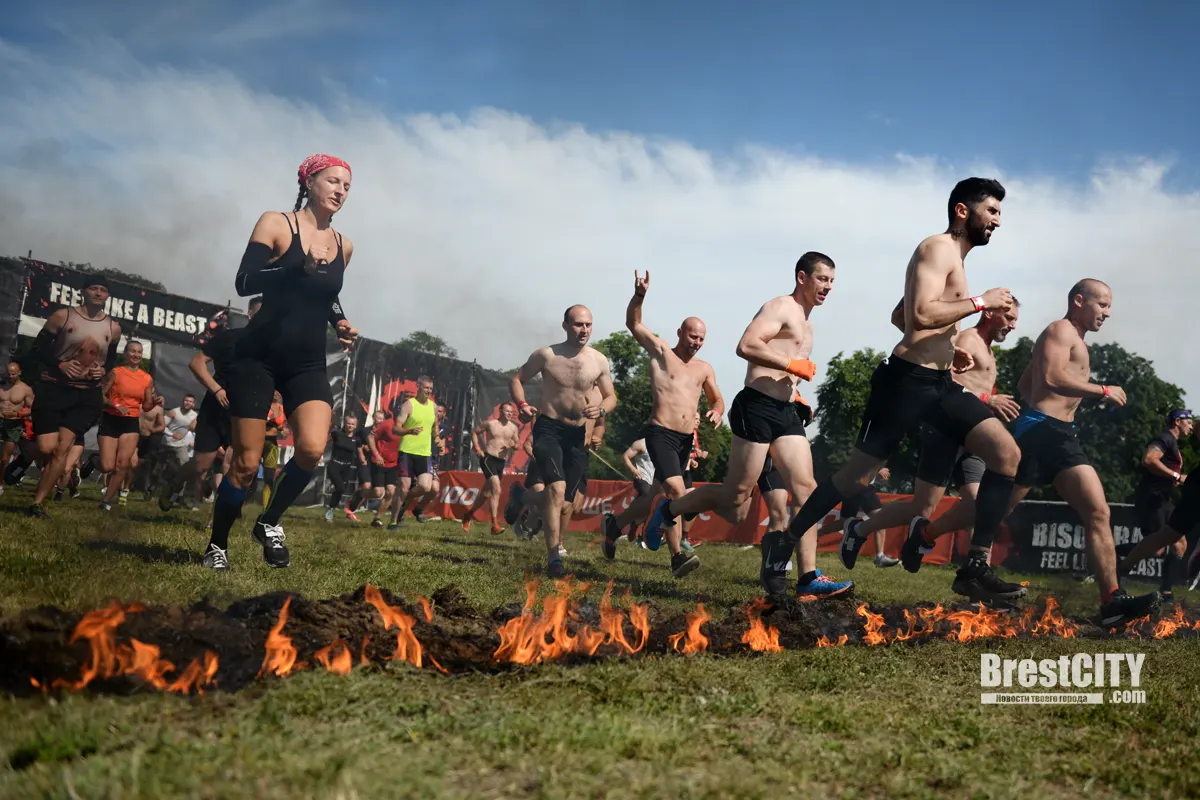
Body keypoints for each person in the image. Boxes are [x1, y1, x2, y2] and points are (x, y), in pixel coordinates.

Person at [757, 179, 1025, 602]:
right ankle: (784, 542)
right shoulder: (936, 248)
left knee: (1007, 455)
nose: (997, 220)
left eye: (998, 213)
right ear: (962, 211)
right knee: (853, 478)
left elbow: (900, 314)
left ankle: (975, 567)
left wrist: (948, 350)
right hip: (903, 384)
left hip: (938, 384)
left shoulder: (955, 257)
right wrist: (979, 302)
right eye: (991, 211)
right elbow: (918, 315)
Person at [642, 253, 853, 600]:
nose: (827, 287)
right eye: (822, 279)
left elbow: (789, 373)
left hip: (785, 413)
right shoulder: (780, 307)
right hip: (755, 407)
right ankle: (670, 509)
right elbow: (746, 346)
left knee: (807, 492)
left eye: (832, 281)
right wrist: (791, 364)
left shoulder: (809, 325)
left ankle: (808, 578)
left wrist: (796, 394)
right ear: (802, 277)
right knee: (735, 497)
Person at [204, 153, 358, 571]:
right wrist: (296, 269)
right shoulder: (276, 223)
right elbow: (244, 282)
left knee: (310, 448)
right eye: (332, 181)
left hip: (306, 361)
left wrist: (340, 320)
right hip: (258, 355)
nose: (340, 191)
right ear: (309, 182)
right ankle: (217, 545)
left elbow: (328, 295)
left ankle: (269, 522)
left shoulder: (344, 244)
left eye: (347, 185)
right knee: (246, 463)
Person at [997, 280, 1159, 623]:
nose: (1107, 313)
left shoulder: (1075, 340)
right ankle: (936, 540)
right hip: (1042, 431)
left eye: (1109, 307)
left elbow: (1029, 383)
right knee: (999, 508)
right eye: (1102, 305)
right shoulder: (1060, 330)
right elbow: (1052, 379)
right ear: (1079, 301)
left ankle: (1112, 602)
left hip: (1057, 434)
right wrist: (1100, 390)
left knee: (1096, 512)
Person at [838, 298, 1023, 571]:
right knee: (921, 508)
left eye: (1016, 320)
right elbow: (947, 383)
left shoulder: (988, 350)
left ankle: (972, 566)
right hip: (946, 429)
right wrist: (988, 399)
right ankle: (860, 530)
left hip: (971, 439)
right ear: (990, 313)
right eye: (1009, 318)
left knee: (980, 505)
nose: (1013, 325)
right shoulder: (969, 340)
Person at [601, 271, 724, 578]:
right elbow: (634, 324)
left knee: (648, 502)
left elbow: (717, 399)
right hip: (660, 434)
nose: (696, 343)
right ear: (680, 332)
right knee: (677, 494)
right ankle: (677, 556)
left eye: (701, 339)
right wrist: (639, 296)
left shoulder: (704, 368)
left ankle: (614, 525)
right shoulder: (661, 352)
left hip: (684, 442)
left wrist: (718, 412)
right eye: (693, 336)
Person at [504, 305, 617, 577]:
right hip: (548, 429)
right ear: (565, 325)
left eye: (588, 325)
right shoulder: (547, 355)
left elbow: (611, 396)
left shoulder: (599, 360)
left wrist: (600, 410)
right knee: (556, 490)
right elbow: (517, 379)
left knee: (568, 504)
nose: (584, 330)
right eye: (579, 324)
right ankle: (554, 556)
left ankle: (524, 497)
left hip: (577, 436)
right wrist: (521, 404)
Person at [27, 273, 123, 518]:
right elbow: (37, 349)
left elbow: (110, 359)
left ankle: (37, 503)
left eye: (103, 289)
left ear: (108, 295)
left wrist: (103, 371)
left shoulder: (113, 327)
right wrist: (59, 365)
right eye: (93, 288)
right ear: (84, 291)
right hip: (54, 387)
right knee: (46, 446)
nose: (98, 293)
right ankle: (24, 458)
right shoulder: (63, 315)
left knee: (62, 449)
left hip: (85, 395)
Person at [1118, 409, 1198, 597]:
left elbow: (1165, 472)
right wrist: (1176, 475)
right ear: (1177, 421)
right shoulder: (1165, 438)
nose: (1191, 426)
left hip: (1164, 498)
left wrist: (1177, 480)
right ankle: (1113, 556)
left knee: (1180, 544)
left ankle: (1166, 590)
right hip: (1152, 498)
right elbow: (1148, 459)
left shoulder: (1174, 444)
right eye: (1189, 422)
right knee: (1158, 549)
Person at [96, 340, 155, 510]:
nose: (136, 355)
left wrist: (155, 401)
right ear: (126, 354)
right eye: (133, 351)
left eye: (139, 352)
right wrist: (115, 405)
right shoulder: (116, 372)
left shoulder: (146, 379)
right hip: (111, 418)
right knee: (107, 466)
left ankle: (106, 501)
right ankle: (94, 461)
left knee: (123, 464)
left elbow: (147, 406)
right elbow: (100, 396)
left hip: (130, 422)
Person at [816, 467, 900, 568]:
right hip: (861, 485)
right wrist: (877, 471)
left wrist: (876, 475)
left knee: (845, 521)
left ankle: (814, 535)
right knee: (880, 517)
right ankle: (880, 557)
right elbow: (864, 462)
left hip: (855, 484)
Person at [387, 376, 439, 529]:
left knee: (425, 487)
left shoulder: (433, 407)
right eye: (426, 388)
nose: (428, 391)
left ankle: (401, 498)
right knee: (404, 486)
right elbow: (395, 428)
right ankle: (393, 521)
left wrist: (438, 440)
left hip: (425, 453)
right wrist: (409, 431)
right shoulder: (408, 405)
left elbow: (435, 428)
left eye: (430, 388)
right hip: (407, 451)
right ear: (418, 387)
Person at [462, 402, 521, 534]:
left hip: (501, 462)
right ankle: (494, 524)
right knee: (496, 488)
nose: (510, 414)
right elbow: (474, 433)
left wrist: (513, 445)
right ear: (500, 411)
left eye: (512, 412)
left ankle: (468, 515)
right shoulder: (490, 424)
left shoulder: (513, 428)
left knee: (486, 494)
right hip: (488, 458)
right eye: (507, 411)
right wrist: (477, 448)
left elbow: (517, 444)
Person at [0, 362, 34, 494]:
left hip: (13, 423)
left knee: (4, 458)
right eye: (8, 373)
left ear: (19, 372)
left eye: (13, 373)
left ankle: (1, 483)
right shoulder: (2, 386)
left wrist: (18, 413)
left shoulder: (25, 389)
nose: (10, 376)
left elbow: (33, 409)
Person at [324, 412, 364, 522]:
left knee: (340, 490)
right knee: (340, 487)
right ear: (345, 424)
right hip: (334, 465)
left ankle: (331, 507)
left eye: (352, 424)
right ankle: (330, 511)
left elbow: (360, 451)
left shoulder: (357, 439)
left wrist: (363, 460)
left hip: (346, 468)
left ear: (355, 426)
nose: (350, 426)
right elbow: (324, 436)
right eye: (348, 423)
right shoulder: (337, 434)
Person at [368, 409, 401, 528]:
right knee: (378, 492)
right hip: (380, 462)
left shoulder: (407, 428)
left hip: (393, 464)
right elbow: (371, 437)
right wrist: (376, 454)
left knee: (390, 492)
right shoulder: (386, 424)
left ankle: (377, 518)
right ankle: (360, 495)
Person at [162, 395, 199, 479]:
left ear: (193, 404)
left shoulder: (194, 415)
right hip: (167, 442)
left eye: (190, 401)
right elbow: (162, 426)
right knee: (160, 467)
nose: (188, 403)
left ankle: (178, 490)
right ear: (183, 401)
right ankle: (152, 489)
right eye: (186, 400)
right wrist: (171, 434)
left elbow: (193, 428)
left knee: (185, 464)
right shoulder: (174, 411)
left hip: (181, 444)